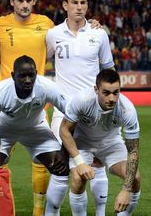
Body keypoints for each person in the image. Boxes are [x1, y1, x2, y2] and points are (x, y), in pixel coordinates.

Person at [45, 0, 115, 216]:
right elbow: (39, 60)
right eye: (74, 2)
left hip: (93, 112)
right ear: (65, 5)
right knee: (61, 168)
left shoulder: (99, 34)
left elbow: (109, 72)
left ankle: (101, 213)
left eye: (83, 2)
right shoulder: (53, 34)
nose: (79, 7)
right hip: (63, 112)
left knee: (97, 164)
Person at [0, 0, 55, 215]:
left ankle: (38, 212)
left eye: (29, 0)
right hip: (4, 103)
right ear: (11, 2)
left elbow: (59, 45)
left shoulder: (46, 23)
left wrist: (91, 24)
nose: (25, 5)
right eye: (20, 0)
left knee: (41, 158)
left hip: (36, 102)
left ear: (34, 1)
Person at [0, 56, 70, 210]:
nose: (27, 80)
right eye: (22, 76)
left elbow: (72, 115)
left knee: (61, 168)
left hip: (36, 129)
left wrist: (64, 152)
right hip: (5, 130)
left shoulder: (47, 87)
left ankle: (48, 212)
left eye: (31, 75)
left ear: (36, 73)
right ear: (13, 76)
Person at [59, 69, 140, 216]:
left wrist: (126, 190)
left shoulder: (127, 109)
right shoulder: (82, 100)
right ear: (96, 90)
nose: (112, 98)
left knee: (134, 179)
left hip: (111, 143)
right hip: (83, 142)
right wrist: (80, 161)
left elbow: (133, 151)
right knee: (78, 179)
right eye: (106, 93)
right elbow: (64, 130)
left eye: (116, 92)